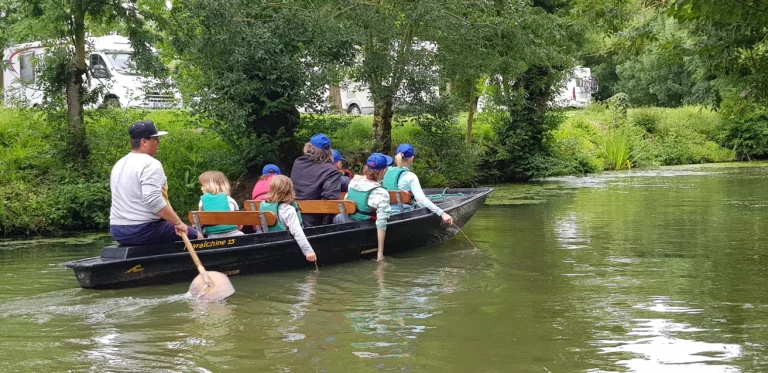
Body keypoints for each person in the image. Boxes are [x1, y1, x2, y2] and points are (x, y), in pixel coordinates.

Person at [109, 120, 201, 245]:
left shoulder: (119, 164)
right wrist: (178, 223)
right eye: (156, 139)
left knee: (168, 229)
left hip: (117, 231)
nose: (159, 142)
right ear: (144, 142)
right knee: (198, 236)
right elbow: (152, 199)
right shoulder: (151, 164)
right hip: (143, 230)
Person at [382, 144, 454, 225]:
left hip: (386, 215)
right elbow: (421, 199)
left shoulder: (385, 173)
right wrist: (442, 213)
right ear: (412, 158)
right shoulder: (410, 176)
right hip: (404, 216)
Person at [341, 153, 393, 262]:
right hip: (365, 227)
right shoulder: (380, 192)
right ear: (383, 171)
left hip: (348, 222)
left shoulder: (353, 182)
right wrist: (380, 252)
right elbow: (381, 222)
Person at [260, 175, 317, 263]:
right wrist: (308, 251)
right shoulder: (288, 209)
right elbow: (297, 231)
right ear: (289, 190)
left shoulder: (263, 204)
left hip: (270, 241)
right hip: (285, 243)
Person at [290, 133, 341, 226]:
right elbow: (330, 201)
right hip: (315, 223)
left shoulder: (298, 162)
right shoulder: (331, 171)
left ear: (308, 147)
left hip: (293, 216)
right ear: (328, 152)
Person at [198, 170, 244, 238]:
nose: (201, 188)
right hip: (234, 234)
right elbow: (239, 224)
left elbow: (199, 220)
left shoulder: (202, 202)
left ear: (210, 185)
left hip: (212, 237)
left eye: (202, 185)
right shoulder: (230, 200)